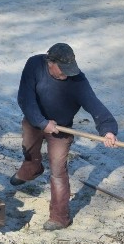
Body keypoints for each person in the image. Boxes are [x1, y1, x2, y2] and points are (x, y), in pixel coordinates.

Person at [12, 43, 118, 231]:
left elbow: (95, 105)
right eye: (63, 70)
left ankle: (60, 217)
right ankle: (32, 168)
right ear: (49, 62)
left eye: (70, 70)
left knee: (58, 171)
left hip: (62, 130)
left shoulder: (77, 80)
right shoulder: (34, 65)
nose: (67, 75)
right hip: (34, 119)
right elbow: (25, 97)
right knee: (29, 149)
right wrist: (42, 122)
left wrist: (108, 129)